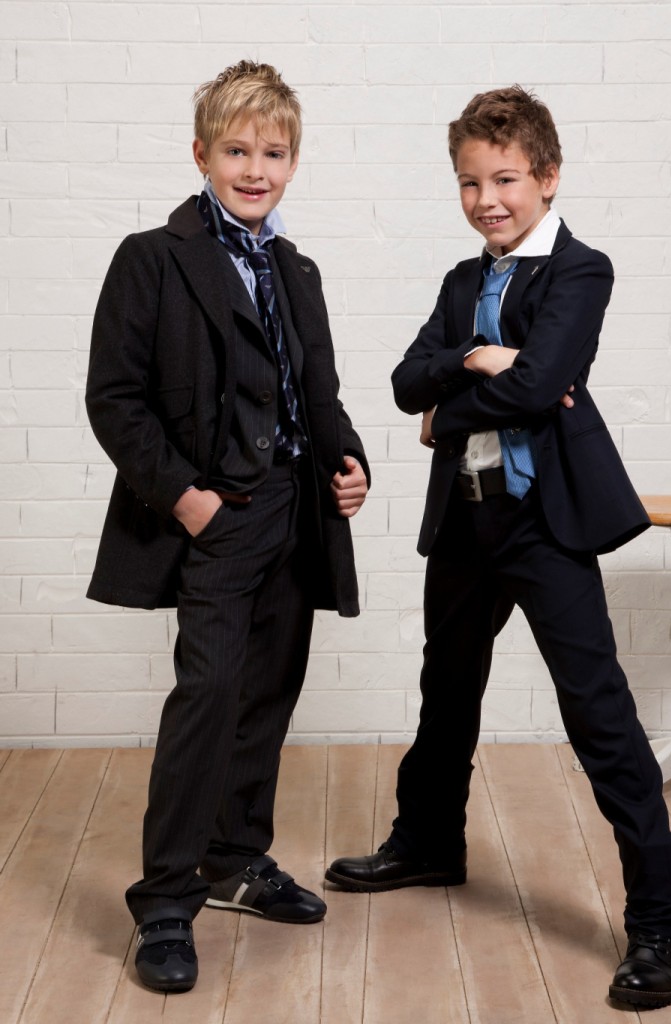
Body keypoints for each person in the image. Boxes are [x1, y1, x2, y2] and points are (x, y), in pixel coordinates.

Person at [325, 85, 671, 1010]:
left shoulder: (580, 271)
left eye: (505, 180)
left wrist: (453, 406)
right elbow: (405, 381)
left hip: (544, 520)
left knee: (597, 712)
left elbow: (537, 388)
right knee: (446, 687)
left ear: (548, 177)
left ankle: (661, 920)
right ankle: (428, 841)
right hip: (466, 516)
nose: (487, 199)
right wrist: (470, 362)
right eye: (469, 183)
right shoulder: (462, 284)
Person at [86, 60, 369, 993]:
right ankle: (166, 898)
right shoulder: (153, 258)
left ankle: (234, 859)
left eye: (273, 153)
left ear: (293, 162)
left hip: (295, 511)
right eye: (238, 151)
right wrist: (186, 498)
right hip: (216, 515)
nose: (256, 169)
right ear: (202, 154)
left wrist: (349, 462)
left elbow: (317, 394)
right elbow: (115, 398)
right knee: (206, 696)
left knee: (266, 695)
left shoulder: (297, 269)